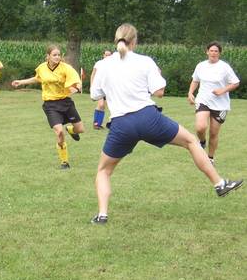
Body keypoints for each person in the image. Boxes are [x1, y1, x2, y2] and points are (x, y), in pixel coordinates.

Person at [89, 23, 243, 224]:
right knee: (191, 141)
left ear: (116, 39)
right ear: (135, 41)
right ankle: (219, 183)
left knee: (104, 171)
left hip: (121, 124)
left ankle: (102, 215)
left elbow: (94, 95)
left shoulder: (104, 65)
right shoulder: (145, 61)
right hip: (148, 118)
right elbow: (160, 91)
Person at [12, 45, 84, 169]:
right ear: (48, 56)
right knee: (59, 132)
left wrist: (77, 87)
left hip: (66, 102)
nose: (57, 57)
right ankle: (64, 162)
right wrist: (21, 82)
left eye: (59, 55)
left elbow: (76, 81)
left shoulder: (66, 68)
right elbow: (37, 78)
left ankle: (71, 130)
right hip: (50, 105)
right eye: (54, 55)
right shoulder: (42, 68)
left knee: (80, 129)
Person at [187, 41, 240, 165]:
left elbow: (235, 82)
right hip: (203, 100)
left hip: (220, 104)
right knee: (200, 127)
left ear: (219, 53)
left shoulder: (225, 67)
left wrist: (223, 90)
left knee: (214, 132)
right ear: (207, 52)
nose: (213, 53)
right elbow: (195, 80)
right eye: (211, 50)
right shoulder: (201, 65)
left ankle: (210, 157)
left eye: (216, 51)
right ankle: (202, 141)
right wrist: (190, 93)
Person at [90, 50, 112, 129]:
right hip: (99, 87)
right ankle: (96, 123)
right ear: (103, 55)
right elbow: (93, 75)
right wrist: (92, 85)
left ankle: (104, 123)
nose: (107, 57)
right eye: (106, 55)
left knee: (107, 106)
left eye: (109, 55)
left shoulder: (113, 64)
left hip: (108, 88)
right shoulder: (99, 63)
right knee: (101, 104)